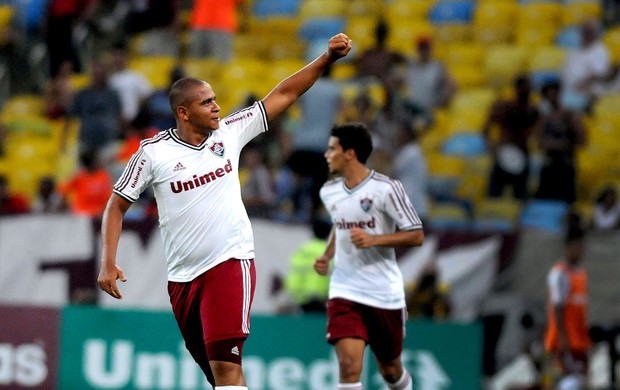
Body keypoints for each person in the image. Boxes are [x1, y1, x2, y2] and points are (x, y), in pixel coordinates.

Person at [97, 33, 352, 389]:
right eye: (207, 102)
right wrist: (108, 262)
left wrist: (326, 59)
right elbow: (116, 205)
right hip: (182, 278)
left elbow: (284, 94)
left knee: (226, 369)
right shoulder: (153, 153)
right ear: (184, 113)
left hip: (230, 262)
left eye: (215, 99)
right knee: (220, 377)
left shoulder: (229, 134)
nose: (217, 107)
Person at [314, 122, 425, 390]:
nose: (327, 155)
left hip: (382, 292)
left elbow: (416, 234)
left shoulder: (387, 189)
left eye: (332, 149)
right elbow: (340, 225)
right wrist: (328, 255)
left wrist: (374, 239)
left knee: (390, 370)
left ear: (350, 153)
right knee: (349, 366)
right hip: (345, 289)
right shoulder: (329, 192)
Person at [542, 221, 590, 390]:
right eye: (577, 246)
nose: (580, 250)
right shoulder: (560, 273)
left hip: (579, 341)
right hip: (562, 342)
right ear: (568, 247)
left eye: (582, 246)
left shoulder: (581, 273)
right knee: (558, 382)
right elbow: (557, 305)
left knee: (581, 383)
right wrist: (562, 337)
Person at [482, 74, 541, 201]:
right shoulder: (505, 107)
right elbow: (486, 128)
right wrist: (491, 147)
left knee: (520, 195)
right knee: (494, 194)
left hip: (522, 152)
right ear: (518, 88)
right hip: (504, 151)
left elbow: (537, 132)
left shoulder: (532, 110)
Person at [534, 80, 587, 204]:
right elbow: (538, 139)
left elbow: (582, 139)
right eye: (548, 94)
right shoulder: (545, 117)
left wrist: (565, 144)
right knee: (546, 197)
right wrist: (549, 144)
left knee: (565, 197)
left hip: (565, 162)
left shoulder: (569, 114)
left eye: (554, 93)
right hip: (550, 163)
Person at [560, 18, 611, 113]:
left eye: (589, 32)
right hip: (568, 92)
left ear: (596, 33)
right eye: (583, 31)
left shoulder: (600, 50)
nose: (585, 34)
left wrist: (581, 85)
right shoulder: (574, 50)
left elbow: (599, 74)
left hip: (588, 94)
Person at [282, 218, 332, 313]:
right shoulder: (329, 252)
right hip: (320, 299)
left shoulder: (302, 250)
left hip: (300, 298)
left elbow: (293, 271)